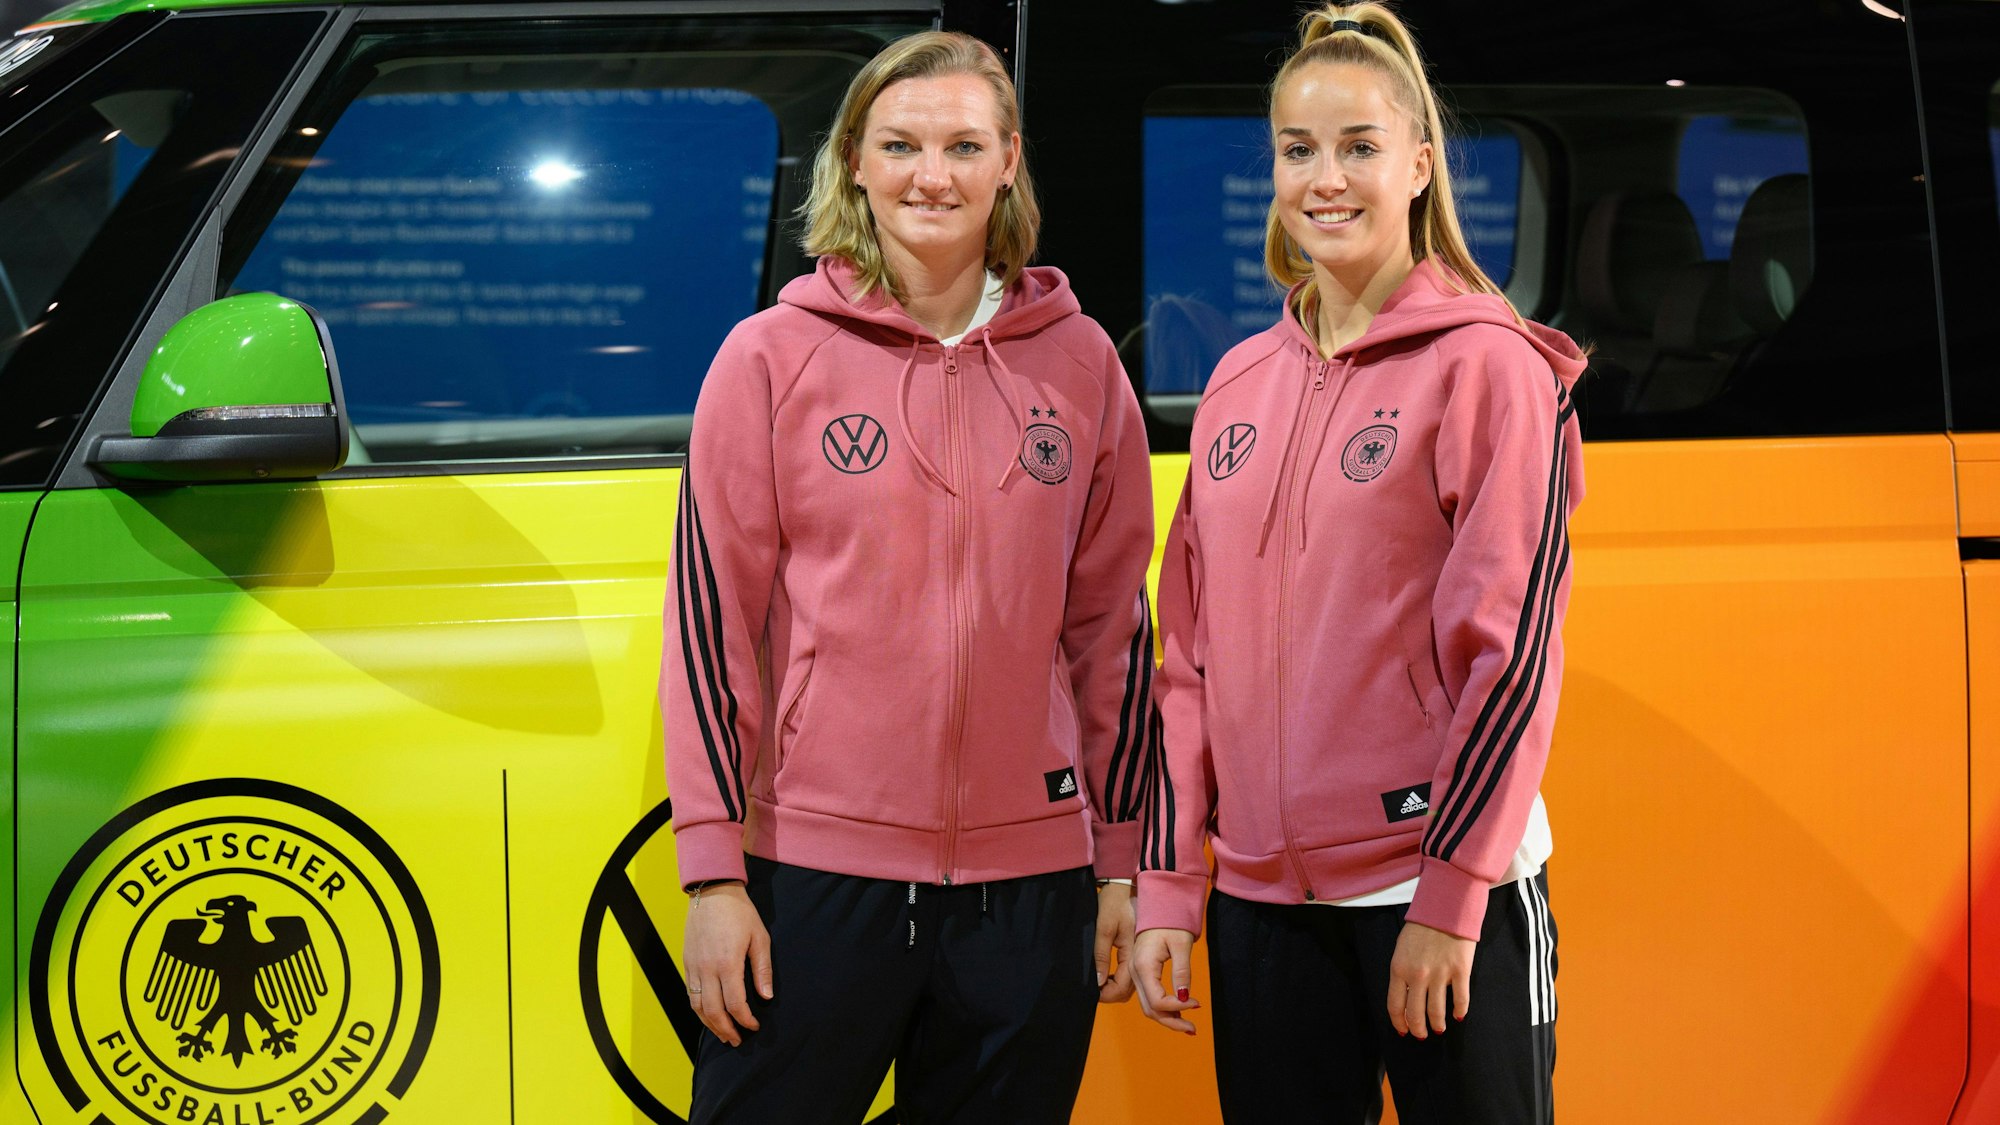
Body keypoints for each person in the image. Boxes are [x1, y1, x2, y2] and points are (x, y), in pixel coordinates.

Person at [661, 30, 1156, 1125]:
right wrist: (713, 878)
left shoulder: (1081, 365)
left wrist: (1120, 862)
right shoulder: (768, 358)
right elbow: (709, 630)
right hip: (815, 867)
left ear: (1008, 161)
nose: (932, 176)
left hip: (1030, 887)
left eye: (963, 146)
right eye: (900, 145)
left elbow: (1111, 636)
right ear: (854, 160)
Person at [1131, 5, 1585, 1124]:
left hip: (1432, 894)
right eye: (1298, 150)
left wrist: (1450, 894)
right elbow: (1188, 663)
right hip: (1261, 907)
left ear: (1420, 165)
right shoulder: (1238, 381)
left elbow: (1510, 656)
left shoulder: (1489, 367)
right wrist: (1169, 883)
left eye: (1359, 147)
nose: (1324, 179)